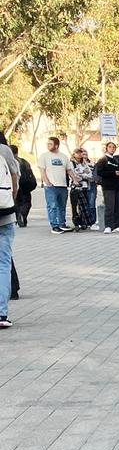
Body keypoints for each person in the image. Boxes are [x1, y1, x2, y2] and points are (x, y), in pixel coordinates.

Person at [38, 137, 75, 233]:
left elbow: (69, 170)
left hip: (62, 185)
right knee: (52, 206)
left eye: (50, 144)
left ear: (56, 145)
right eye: (47, 144)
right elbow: (42, 170)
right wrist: (47, 182)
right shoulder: (44, 156)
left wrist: (75, 180)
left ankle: (62, 224)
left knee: (62, 206)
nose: (48, 145)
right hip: (51, 186)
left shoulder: (64, 157)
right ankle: (54, 225)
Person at [95, 142, 119, 234]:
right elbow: (100, 172)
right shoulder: (103, 159)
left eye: (114, 147)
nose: (112, 149)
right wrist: (113, 173)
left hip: (118, 186)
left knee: (118, 206)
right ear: (106, 148)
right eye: (110, 147)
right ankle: (108, 226)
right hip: (108, 187)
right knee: (109, 206)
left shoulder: (116, 160)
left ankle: (116, 225)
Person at [0, 131, 15, 328]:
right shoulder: (4, 151)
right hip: (5, 214)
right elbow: (15, 179)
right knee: (3, 265)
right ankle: (1, 313)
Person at [9, 144, 35, 228]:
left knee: (16, 202)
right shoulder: (23, 161)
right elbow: (30, 173)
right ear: (17, 153)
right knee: (27, 203)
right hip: (25, 185)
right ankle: (22, 216)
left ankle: (19, 216)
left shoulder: (8, 162)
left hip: (14, 185)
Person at [72, 148, 98, 229]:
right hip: (76, 187)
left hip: (86, 186)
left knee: (87, 205)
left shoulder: (85, 164)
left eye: (82, 153)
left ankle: (90, 222)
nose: (80, 155)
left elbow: (90, 175)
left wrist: (82, 175)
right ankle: (80, 223)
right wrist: (82, 176)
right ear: (74, 154)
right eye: (78, 153)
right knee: (78, 206)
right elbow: (74, 175)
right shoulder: (72, 163)